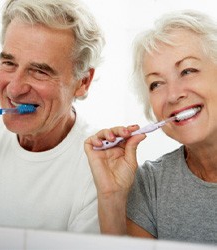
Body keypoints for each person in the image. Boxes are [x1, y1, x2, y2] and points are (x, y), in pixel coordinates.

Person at [0, 0, 105, 233]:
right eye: (9, 63)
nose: (14, 89)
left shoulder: (99, 171)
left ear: (83, 82)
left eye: (40, 71)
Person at [84, 10, 217, 244]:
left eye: (187, 71)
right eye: (156, 84)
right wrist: (112, 197)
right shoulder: (149, 184)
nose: (173, 95)